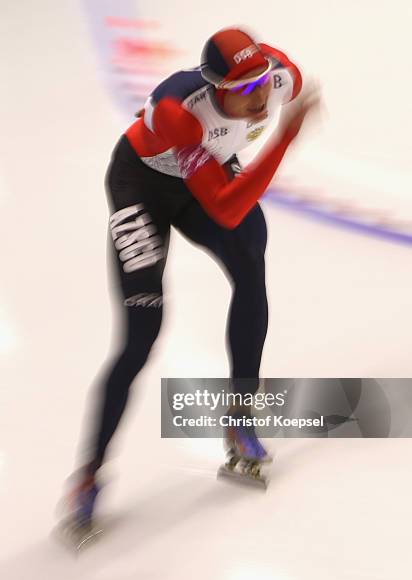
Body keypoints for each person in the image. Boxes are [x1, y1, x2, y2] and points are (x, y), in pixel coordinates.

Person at [65, 26, 319, 528]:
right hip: (143, 184)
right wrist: (286, 137)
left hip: (206, 169)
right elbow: (224, 209)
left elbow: (226, 194)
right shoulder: (176, 112)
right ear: (215, 87)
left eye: (263, 84)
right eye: (242, 92)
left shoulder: (283, 76)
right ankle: (89, 475)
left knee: (251, 271)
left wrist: (270, 115)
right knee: (141, 335)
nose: (260, 100)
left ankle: (239, 418)